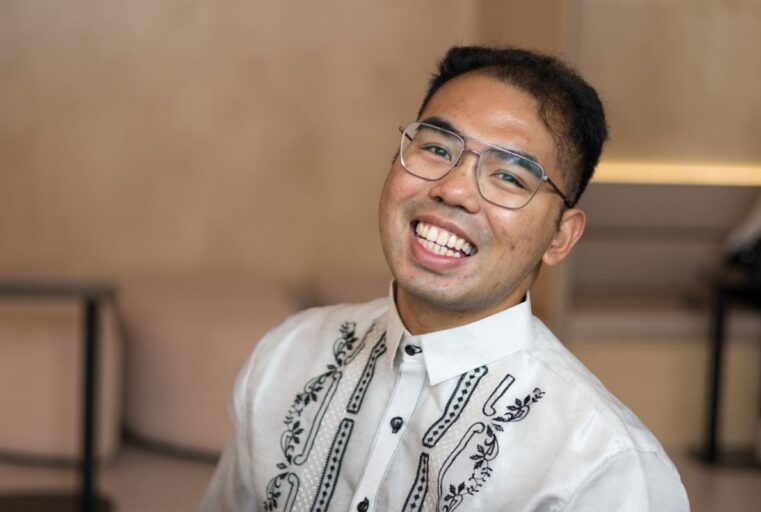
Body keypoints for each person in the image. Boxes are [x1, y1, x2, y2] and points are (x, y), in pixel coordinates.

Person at [200, 46, 690, 512]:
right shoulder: (287, 355)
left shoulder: (605, 468)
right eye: (436, 148)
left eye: (509, 177)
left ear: (560, 237)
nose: (454, 190)